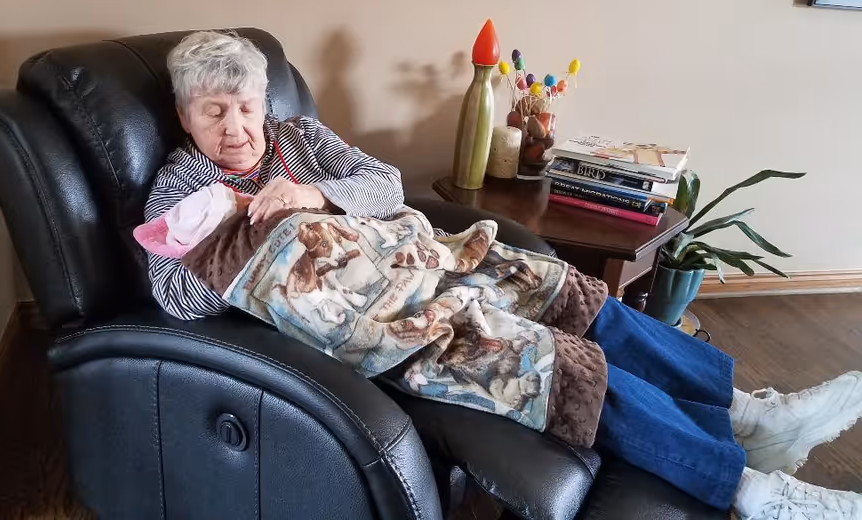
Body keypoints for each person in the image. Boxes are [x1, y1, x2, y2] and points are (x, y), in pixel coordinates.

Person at [144, 31, 862, 519]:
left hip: (421, 259)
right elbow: (172, 295)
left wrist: (314, 194)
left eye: (245, 107)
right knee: (540, 358)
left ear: (265, 103)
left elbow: (386, 185)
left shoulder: (299, 140)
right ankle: (754, 492)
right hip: (377, 317)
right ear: (185, 116)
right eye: (214, 113)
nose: (236, 128)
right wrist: (243, 228)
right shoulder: (182, 191)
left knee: (563, 288)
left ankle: (747, 414)